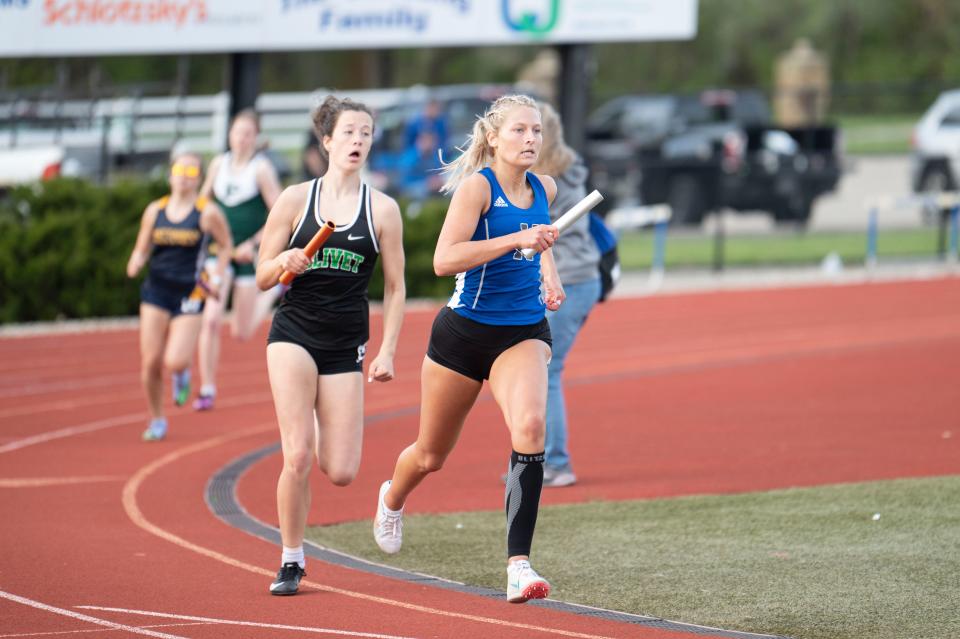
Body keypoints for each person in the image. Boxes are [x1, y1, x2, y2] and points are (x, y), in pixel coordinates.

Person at [373, 94, 563, 604]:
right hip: (462, 334)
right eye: (520, 130)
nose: (530, 140)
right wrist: (515, 239)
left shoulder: (546, 186)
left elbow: (539, 243)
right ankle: (392, 498)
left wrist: (550, 274)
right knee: (431, 455)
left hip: (522, 330)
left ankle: (518, 566)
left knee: (529, 427)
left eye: (537, 131)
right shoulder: (478, 189)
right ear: (494, 137)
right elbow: (443, 260)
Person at [255, 96, 406, 596]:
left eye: (365, 133)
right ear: (326, 141)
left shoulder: (382, 209)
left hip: (346, 343)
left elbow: (395, 287)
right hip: (294, 334)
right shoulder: (296, 200)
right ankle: (291, 559)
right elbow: (259, 277)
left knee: (340, 470)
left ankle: (320, 415)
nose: (358, 141)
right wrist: (285, 263)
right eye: (348, 133)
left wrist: (386, 350)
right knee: (296, 456)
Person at [125, 151, 233, 441]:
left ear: (199, 178)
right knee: (150, 362)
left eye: (191, 172)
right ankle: (157, 419)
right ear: (171, 174)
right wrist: (136, 260)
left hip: (190, 292)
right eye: (180, 170)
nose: (185, 177)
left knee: (174, 360)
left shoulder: (206, 212)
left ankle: (181, 374)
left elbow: (225, 246)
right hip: (156, 291)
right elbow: (142, 246)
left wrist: (218, 277)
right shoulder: (155, 210)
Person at [193, 109, 283, 411]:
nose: (241, 138)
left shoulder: (261, 170)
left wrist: (254, 243)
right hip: (220, 254)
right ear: (229, 134)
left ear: (255, 137)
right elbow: (203, 203)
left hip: (247, 253)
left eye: (247, 133)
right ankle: (207, 387)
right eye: (236, 132)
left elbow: (281, 212)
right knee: (211, 319)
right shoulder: (219, 164)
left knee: (241, 332)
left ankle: (273, 291)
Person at [530, 102, 601, 487]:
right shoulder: (572, 171)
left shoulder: (544, 183)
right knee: (539, 368)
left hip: (569, 279)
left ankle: (555, 461)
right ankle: (540, 457)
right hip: (582, 277)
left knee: (547, 369)